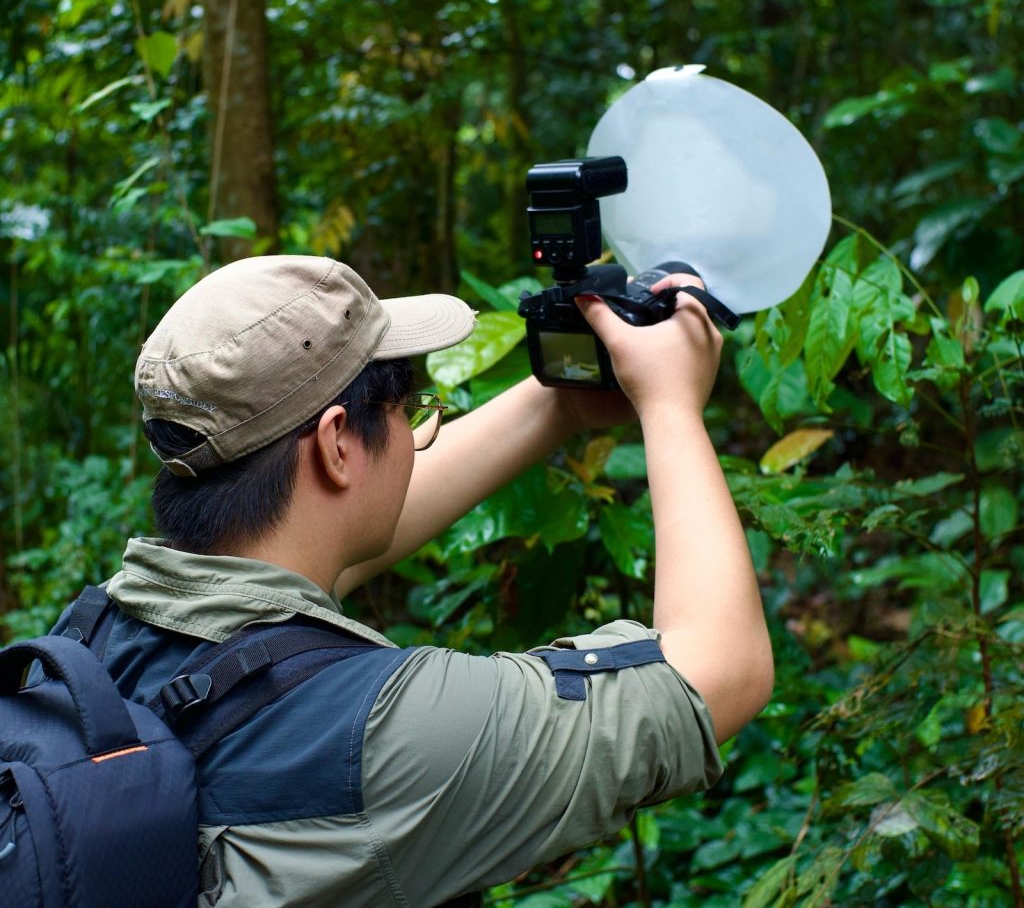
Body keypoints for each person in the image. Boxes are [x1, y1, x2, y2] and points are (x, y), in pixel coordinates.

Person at [95, 254, 773, 907]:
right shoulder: (385, 738)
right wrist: (671, 404)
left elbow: (325, 535)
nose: (414, 432)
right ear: (337, 443)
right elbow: (719, 674)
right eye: (409, 409)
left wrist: (560, 404)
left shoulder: (104, 635)